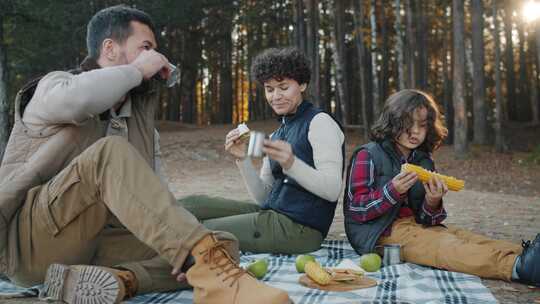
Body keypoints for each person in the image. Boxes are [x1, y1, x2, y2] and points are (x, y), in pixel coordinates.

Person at [0, 5, 292, 304]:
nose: (156, 58)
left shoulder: (139, 124)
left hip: (95, 244)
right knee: (110, 154)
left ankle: (121, 280)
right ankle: (220, 280)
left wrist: (182, 242)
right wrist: (138, 70)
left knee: (220, 243)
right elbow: (79, 100)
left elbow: (156, 204)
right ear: (110, 48)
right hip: (28, 244)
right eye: (146, 48)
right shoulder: (54, 86)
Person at [343, 89, 540, 286]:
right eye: (407, 124)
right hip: (380, 234)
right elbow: (356, 209)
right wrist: (392, 190)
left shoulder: (422, 160)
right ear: (392, 121)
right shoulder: (368, 155)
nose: (415, 132)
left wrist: (432, 201)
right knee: (446, 246)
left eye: (422, 125)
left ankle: (528, 255)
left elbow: (427, 220)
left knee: (464, 237)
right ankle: (518, 267)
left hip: (415, 226)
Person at [178, 47, 345, 254]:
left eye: (283, 87)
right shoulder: (277, 134)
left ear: (302, 84)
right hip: (272, 213)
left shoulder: (320, 122)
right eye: (269, 89)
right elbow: (264, 197)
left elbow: (331, 190)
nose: (276, 96)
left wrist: (292, 164)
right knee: (190, 205)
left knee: (198, 231)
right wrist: (242, 159)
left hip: (301, 230)